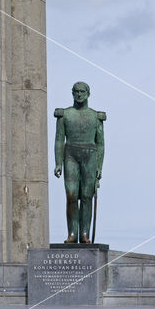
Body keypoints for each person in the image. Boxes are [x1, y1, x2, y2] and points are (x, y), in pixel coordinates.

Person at [54, 82, 106, 243]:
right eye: (76, 91)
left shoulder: (96, 116)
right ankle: (72, 233)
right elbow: (59, 140)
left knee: (86, 196)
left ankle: (84, 234)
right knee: (71, 195)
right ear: (72, 93)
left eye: (82, 91)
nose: (79, 94)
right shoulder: (64, 115)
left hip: (90, 154)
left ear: (88, 93)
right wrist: (58, 163)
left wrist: (99, 166)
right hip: (70, 154)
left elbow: (101, 143)